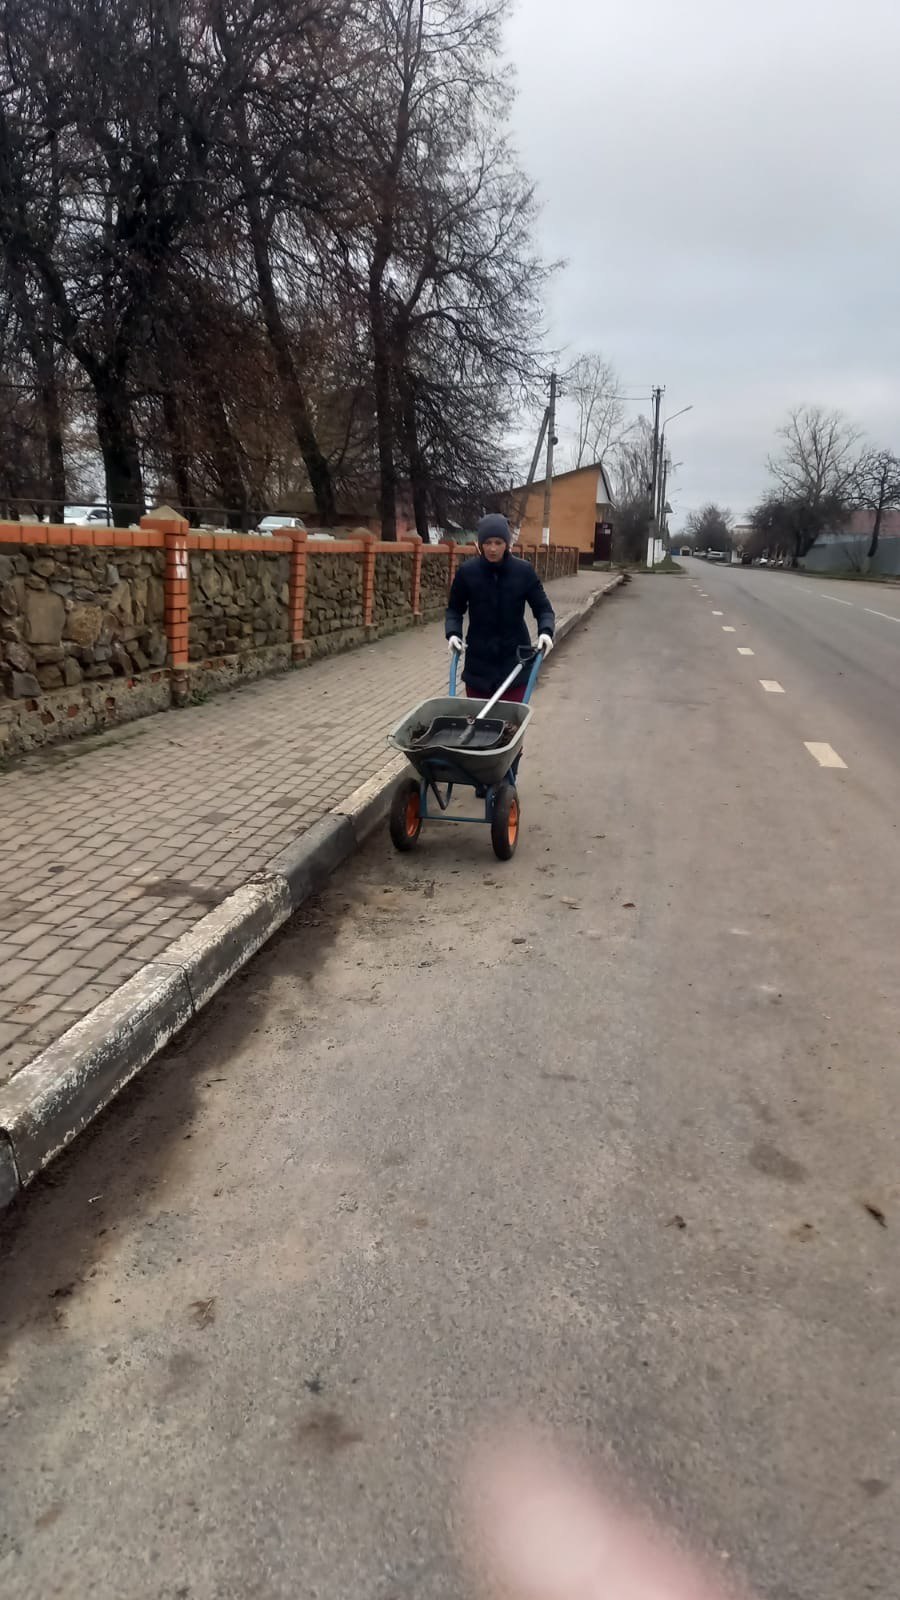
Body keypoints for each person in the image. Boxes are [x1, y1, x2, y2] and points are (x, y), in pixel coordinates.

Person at [445, 514, 555, 702]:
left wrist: (546, 632)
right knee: (477, 725)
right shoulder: (467, 573)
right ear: (480, 545)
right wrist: (453, 633)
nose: (493, 549)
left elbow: (543, 609)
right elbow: (454, 609)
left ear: (507, 544)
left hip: (515, 665)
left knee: (510, 725)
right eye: (487, 543)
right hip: (478, 667)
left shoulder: (523, 572)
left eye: (498, 542)